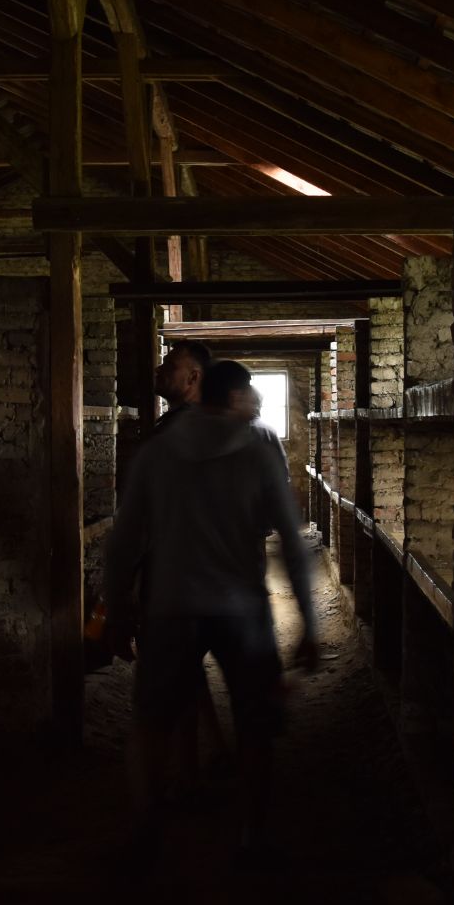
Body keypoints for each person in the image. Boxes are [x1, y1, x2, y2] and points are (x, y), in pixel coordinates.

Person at [104, 359, 320, 867]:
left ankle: (146, 830)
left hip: (171, 605)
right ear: (235, 397)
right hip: (240, 608)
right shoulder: (258, 452)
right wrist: (308, 623)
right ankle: (251, 836)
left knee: (153, 721)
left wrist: (117, 610)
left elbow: (124, 540)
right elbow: (291, 542)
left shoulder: (158, 452)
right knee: (255, 724)